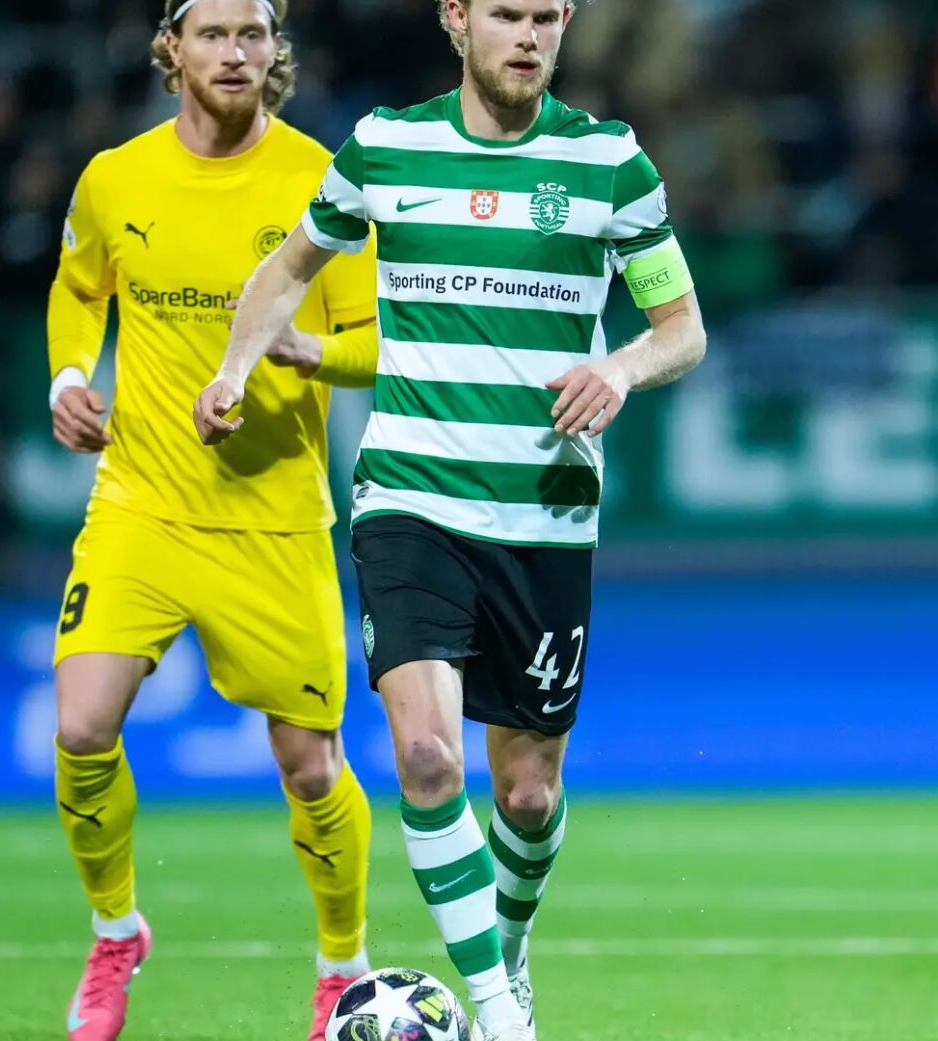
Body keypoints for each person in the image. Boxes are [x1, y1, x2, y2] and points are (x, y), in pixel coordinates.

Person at [194, 2, 707, 1037]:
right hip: (407, 500)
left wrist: (618, 365)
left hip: (544, 514)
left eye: (547, 17)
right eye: (506, 15)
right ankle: (495, 1015)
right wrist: (235, 367)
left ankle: (504, 948)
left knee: (524, 794)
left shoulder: (609, 163)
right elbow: (287, 267)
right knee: (427, 760)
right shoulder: (386, 146)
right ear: (456, 20)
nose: (528, 35)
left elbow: (680, 328)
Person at [45, 2, 380, 1039]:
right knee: (80, 724)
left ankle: (341, 967)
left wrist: (303, 354)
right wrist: (67, 373)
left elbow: (377, 341)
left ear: (277, 50)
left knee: (311, 767)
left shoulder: (322, 181)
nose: (233, 53)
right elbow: (76, 286)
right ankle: (114, 935)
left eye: (253, 33)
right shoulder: (115, 177)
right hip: (140, 502)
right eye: (212, 33)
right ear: (171, 49)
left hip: (272, 516)